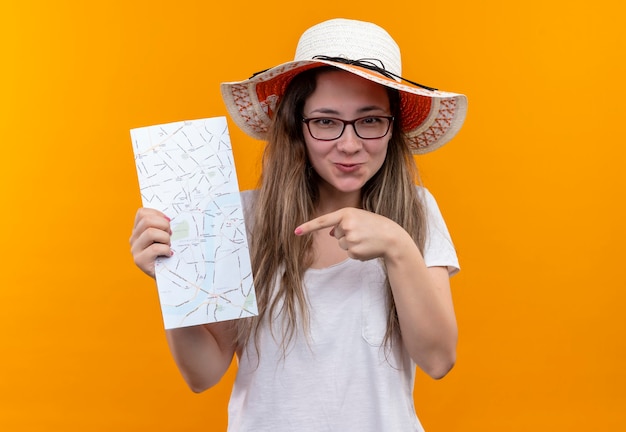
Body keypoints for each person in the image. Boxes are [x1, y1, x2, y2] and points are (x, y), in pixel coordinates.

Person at [130, 18, 467, 432]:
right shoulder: (241, 219)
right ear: (297, 126)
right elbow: (203, 374)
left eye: (370, 120)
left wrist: (397, 246)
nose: (349, 143)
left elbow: (438, 360)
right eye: (326, 121)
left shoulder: (415, 210)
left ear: (392, 127)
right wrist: (174, 282)